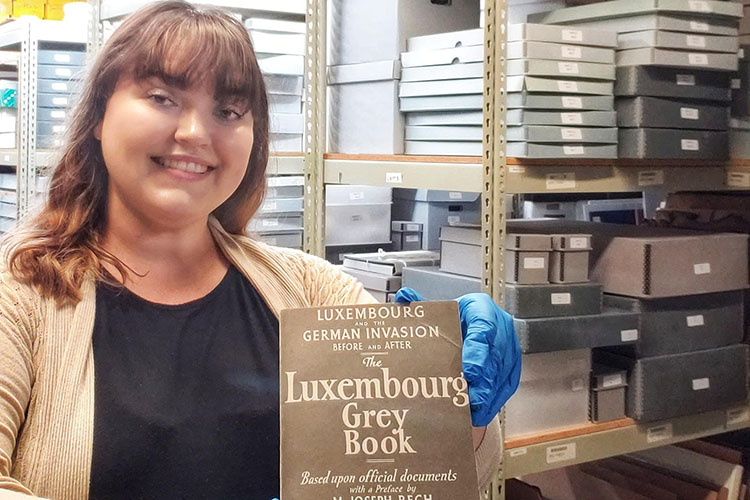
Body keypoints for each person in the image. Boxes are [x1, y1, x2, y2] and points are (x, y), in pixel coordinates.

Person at [0, 2, 521, 499]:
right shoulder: (18, 293)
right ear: (98, 115)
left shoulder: (315, 292)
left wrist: (460, 406)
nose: (195, 133)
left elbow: (423, 475)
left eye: (228, 110)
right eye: (162, 97)